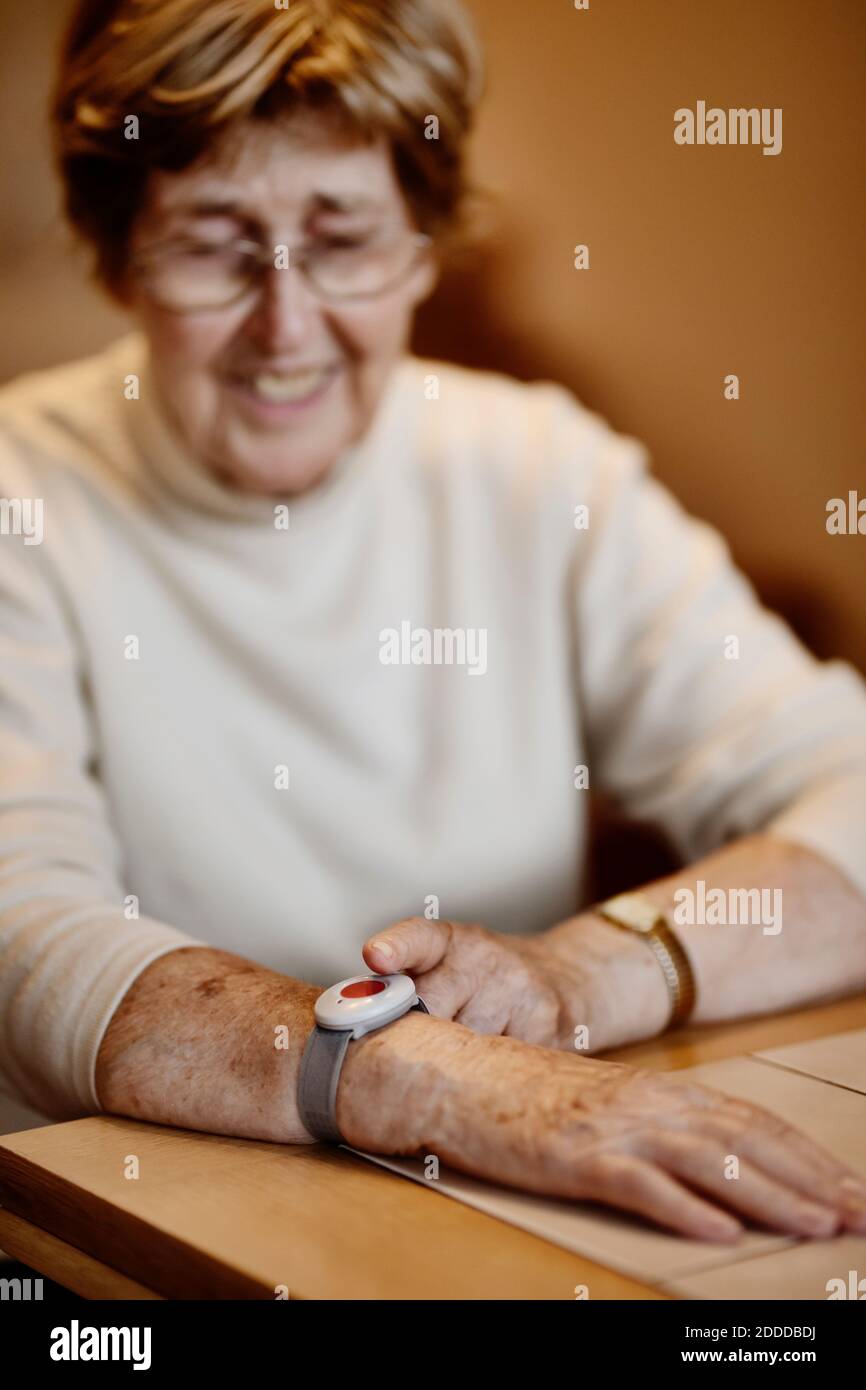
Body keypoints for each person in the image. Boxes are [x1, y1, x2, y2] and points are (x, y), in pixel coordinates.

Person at [1, 0, 865, 1246]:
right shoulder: (24, 495)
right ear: (119, 252)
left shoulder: (536, 468)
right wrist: (420, 1075)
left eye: (342, 238)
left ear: (421, 247)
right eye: (214, 244)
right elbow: (22, 934)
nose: (285, 327)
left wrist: (585, 974)